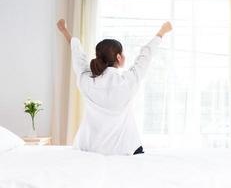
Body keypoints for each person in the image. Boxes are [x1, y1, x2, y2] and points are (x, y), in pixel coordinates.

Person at [57, 19, 172, 155]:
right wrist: (161, 32)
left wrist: (65, 31)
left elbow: (77, 54)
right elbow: (145, 55)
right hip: (125, 148)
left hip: (89, 147)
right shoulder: (129, 81)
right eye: (122, 53)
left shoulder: (86, 80)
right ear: (118, 57)